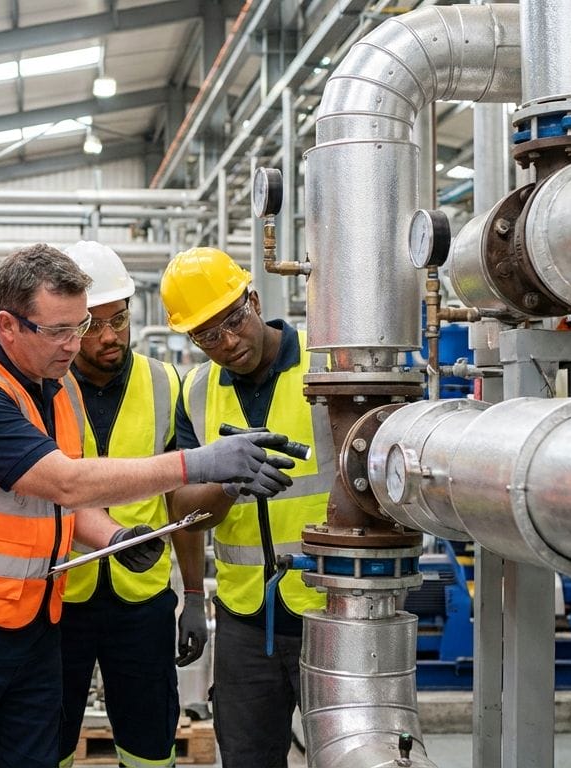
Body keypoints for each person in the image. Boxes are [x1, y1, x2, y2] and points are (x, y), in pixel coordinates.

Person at [0, 244, 296, 767]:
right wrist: (202, 463)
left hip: (31, 619)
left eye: (86, 325)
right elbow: (66, 484)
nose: (80, 343)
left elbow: (57, 505)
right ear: (8, 326)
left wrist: (114, 540)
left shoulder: (52, 390)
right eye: (62, 331)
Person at [160, 247, 334, 768]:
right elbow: (182, 509)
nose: (228, 342)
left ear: (253, 299)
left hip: (333, 606)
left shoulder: (327, 367)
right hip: (244, 618)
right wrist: (228, 484)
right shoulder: (195, 391)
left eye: (233, 321)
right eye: (207, 336)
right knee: (247, 757)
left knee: (350, 753)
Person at [55, 241, 203, 768]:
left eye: (118, 319)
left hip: (141, 599)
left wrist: (193, 596)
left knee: (148, 742)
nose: (110, 336)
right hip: (59, 597)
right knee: (47, 739)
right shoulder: (43, 384)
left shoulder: (166, 383)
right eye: (92, 325)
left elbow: (180, 497)